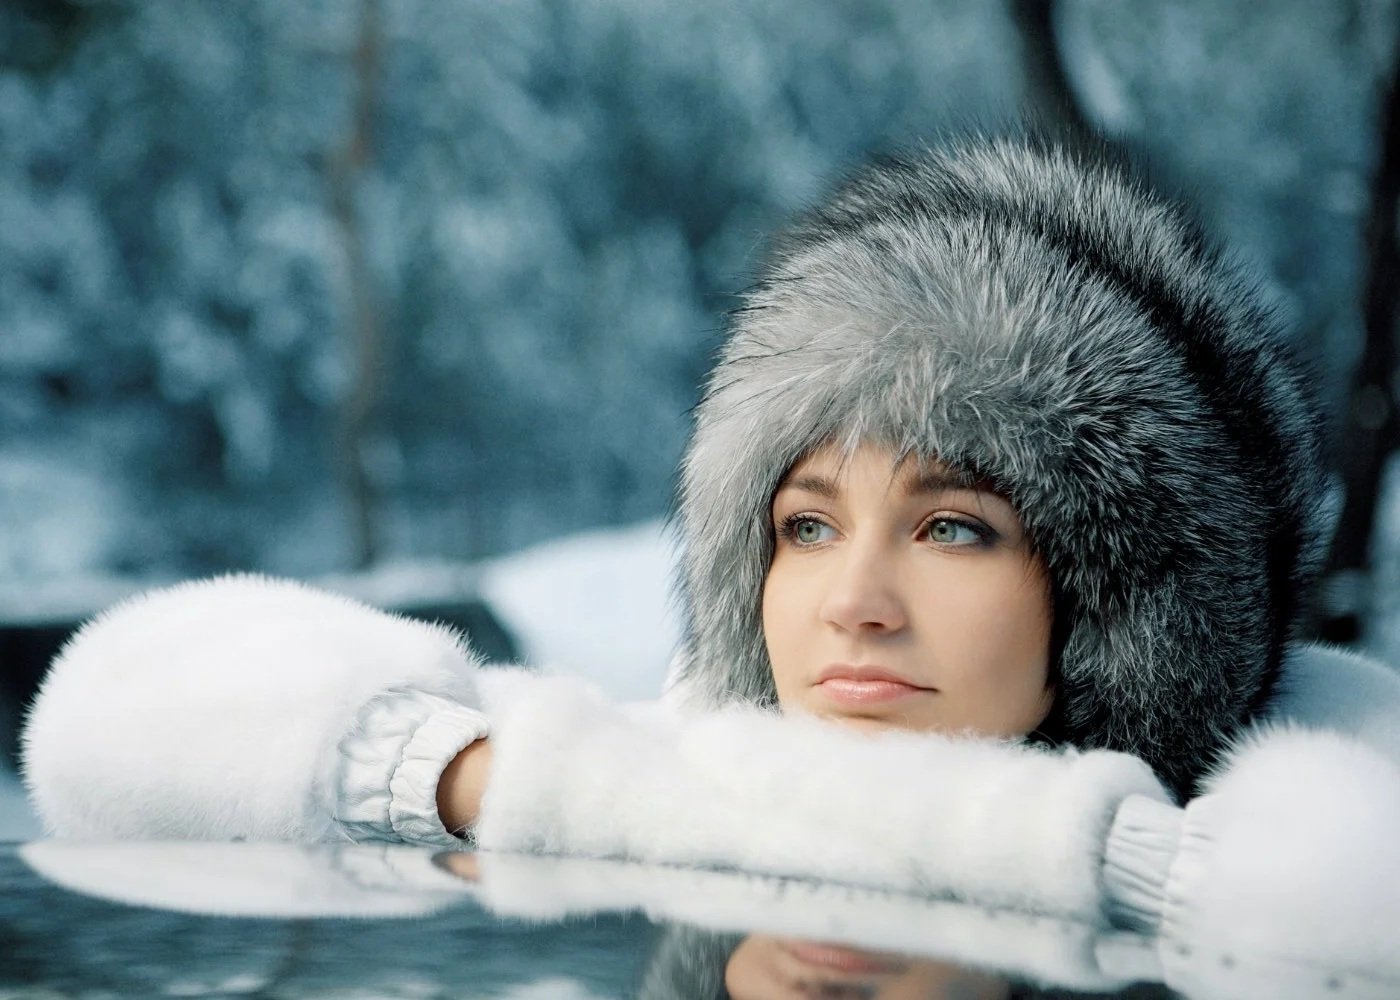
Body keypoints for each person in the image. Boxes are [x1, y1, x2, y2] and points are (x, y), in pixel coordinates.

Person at [19, 135, 1400, 955]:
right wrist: (525, 780)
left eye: (953, 527)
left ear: (1117, 603)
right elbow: (107, 720)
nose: (854, 601)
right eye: (804, 525)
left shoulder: (1285, 779)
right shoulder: (647, 747)